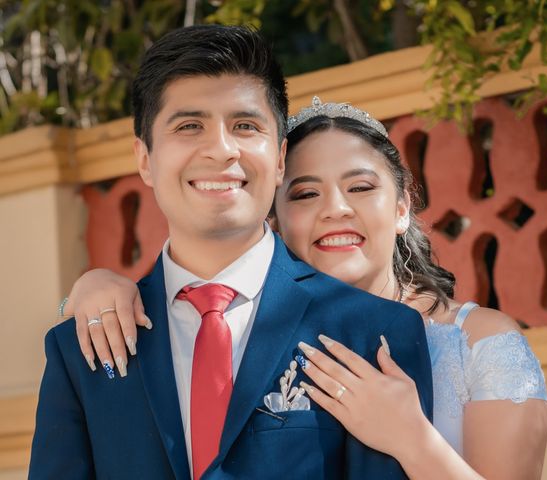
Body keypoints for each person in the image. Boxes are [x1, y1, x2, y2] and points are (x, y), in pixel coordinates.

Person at [63, 97, 547, 479]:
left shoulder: (480, 344)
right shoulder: (252, 329)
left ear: (402, 207)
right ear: (274, 219)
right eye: (306, 193)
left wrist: (411, 439)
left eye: (360, 188)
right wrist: (94, 285)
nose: (335, 209)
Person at [29, 26, 434, 480]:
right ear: (144, 159)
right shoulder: (78, 349)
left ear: (280, 158)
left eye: (244, 126)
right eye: (189, 126)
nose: (221, 149)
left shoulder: (372, 331)